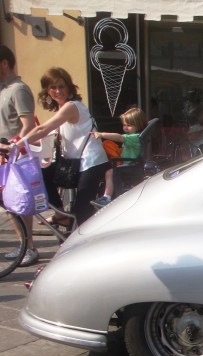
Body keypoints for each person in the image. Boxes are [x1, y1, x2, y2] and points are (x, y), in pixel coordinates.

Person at [19, 67, 109, 227]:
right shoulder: (63, 108)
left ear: (69, 87)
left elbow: (42, 129)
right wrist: (22, 144)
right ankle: (61, 215)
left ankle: (86, 238)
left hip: (91, 162)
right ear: (47, 91)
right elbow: (47, 135)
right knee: (42, 174)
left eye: (61, 86)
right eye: (53, 87)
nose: (57, 91)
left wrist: (18, 144)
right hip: (75, 163)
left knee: (82, 211)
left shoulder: (71, 106)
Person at [0, 45, 37, 266]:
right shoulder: (3, 90)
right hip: (3, 156)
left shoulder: (18, 89)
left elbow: (28, 125)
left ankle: (29, 247)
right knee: (8, 203)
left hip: (15, 156)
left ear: (4, 63)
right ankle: (22, 244)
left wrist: (13, 146)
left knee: (20, 202)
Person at [91, 106, 147, 206]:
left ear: (138, 124)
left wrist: (101, 134)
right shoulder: (134, 136)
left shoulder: (135, 137)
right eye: (124, 125)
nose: (125, 127)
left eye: (129, 125)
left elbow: (119, 137)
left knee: (109, 173)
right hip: (127, 163)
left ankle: (107, 197)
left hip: (131, 165)